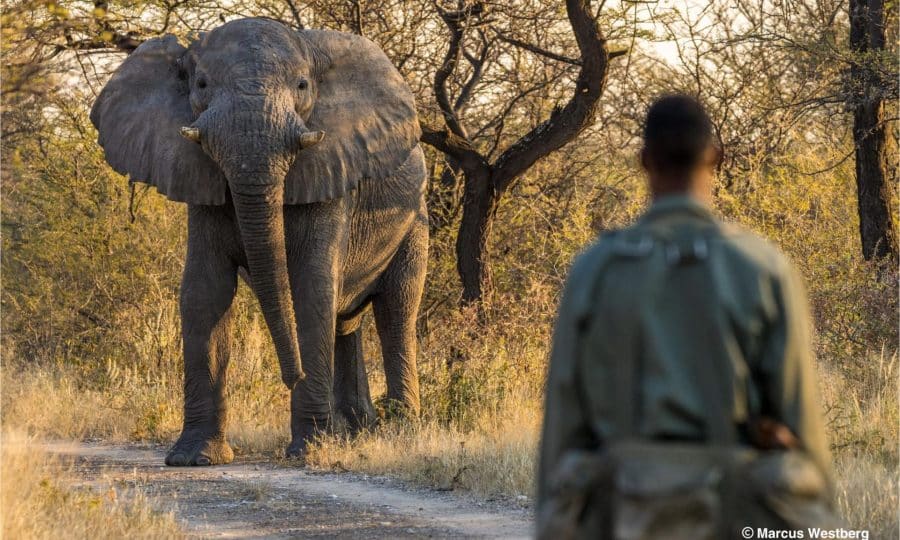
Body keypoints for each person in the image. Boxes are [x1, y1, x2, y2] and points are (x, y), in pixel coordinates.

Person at [536, 95, 838, 539]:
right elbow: (799, 419)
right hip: (733, 515)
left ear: (644, 160)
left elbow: (563, 421)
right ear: (715, 156)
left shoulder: (595, 269)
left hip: (622, 515)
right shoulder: (761, 266)